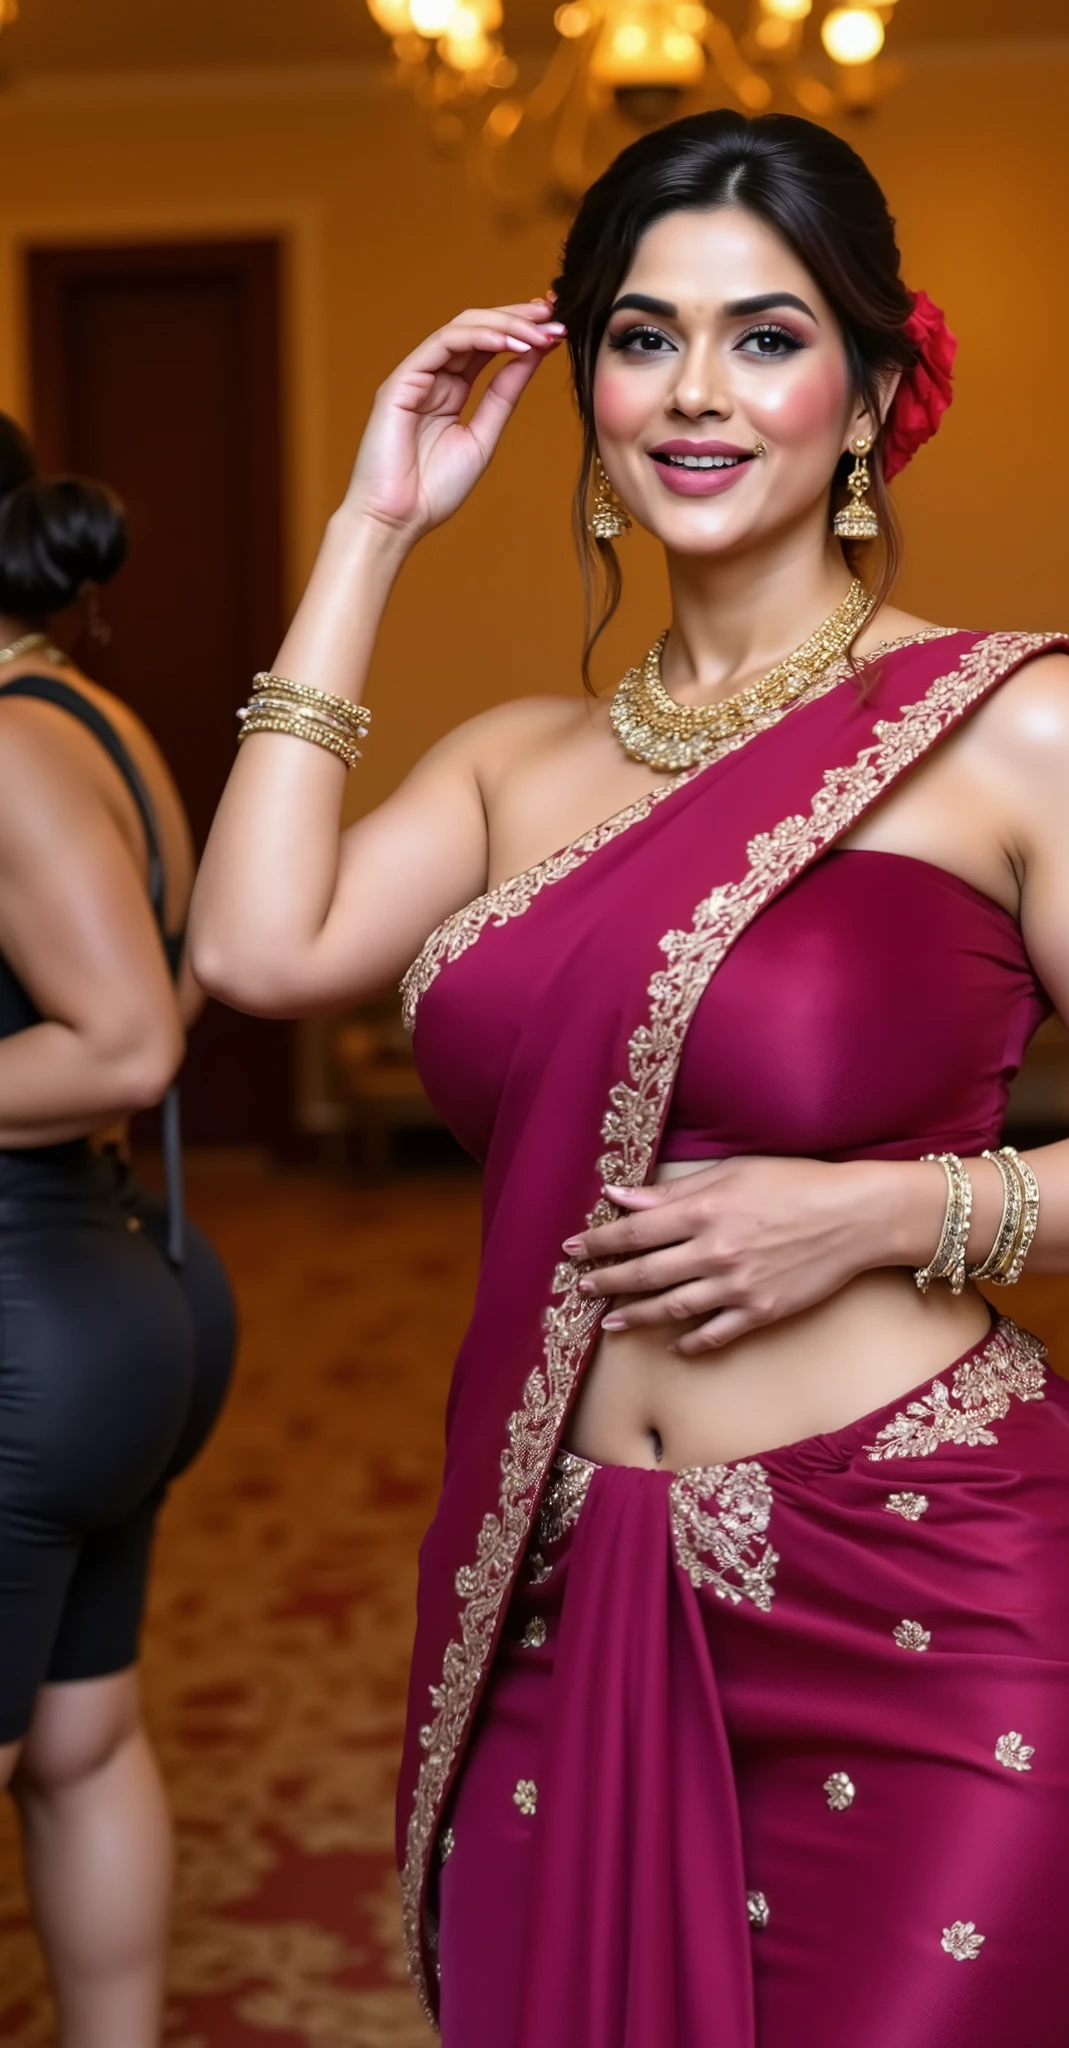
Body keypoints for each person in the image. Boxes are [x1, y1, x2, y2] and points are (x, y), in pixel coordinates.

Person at [190, 112, 1069, 2048]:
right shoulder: (513, 763)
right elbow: (258, 954)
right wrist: (368, 530)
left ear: (869, 391)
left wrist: (883, 1207)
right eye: (639, 335)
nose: (694, 393)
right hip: (583, 1604)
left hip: (962, 1616)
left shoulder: (1009, 725)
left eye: (765, 338)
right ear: (584, 386)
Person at [0, 416, 236, 2048]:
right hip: (124, 1286)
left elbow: (128, 1040)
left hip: (21, 1314)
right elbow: (199, 964)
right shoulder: (88, 714)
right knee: (81, 1745)